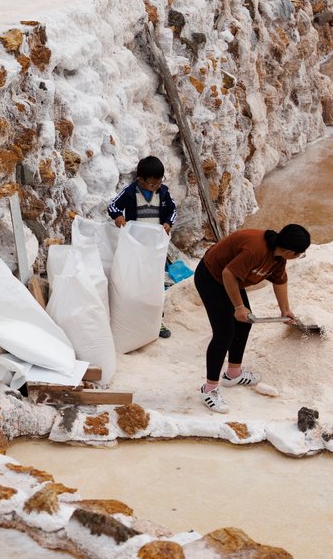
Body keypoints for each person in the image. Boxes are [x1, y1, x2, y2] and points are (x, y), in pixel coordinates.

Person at [194, 224, 311, 413]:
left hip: (232, 280)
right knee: (224, 333)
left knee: (244, 325)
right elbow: (228, 274)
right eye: (300, 254)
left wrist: (285, 309)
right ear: (290, 251)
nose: (299, 257)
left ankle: (233, 374)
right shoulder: (255, 249)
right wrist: (239, 307)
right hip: (212, 277)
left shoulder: (278, 258)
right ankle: (209, 389)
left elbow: (280, 280)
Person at [107, 156, 177, 234]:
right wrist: (118, 216)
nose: (159, 186)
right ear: (140, 180)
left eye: (161, 181)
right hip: (135, 237)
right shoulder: (130, 192)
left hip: (156, 237)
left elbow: (173, 210)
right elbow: (113, 206)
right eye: (153, 185)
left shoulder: (164, 192)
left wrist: (168, 223)